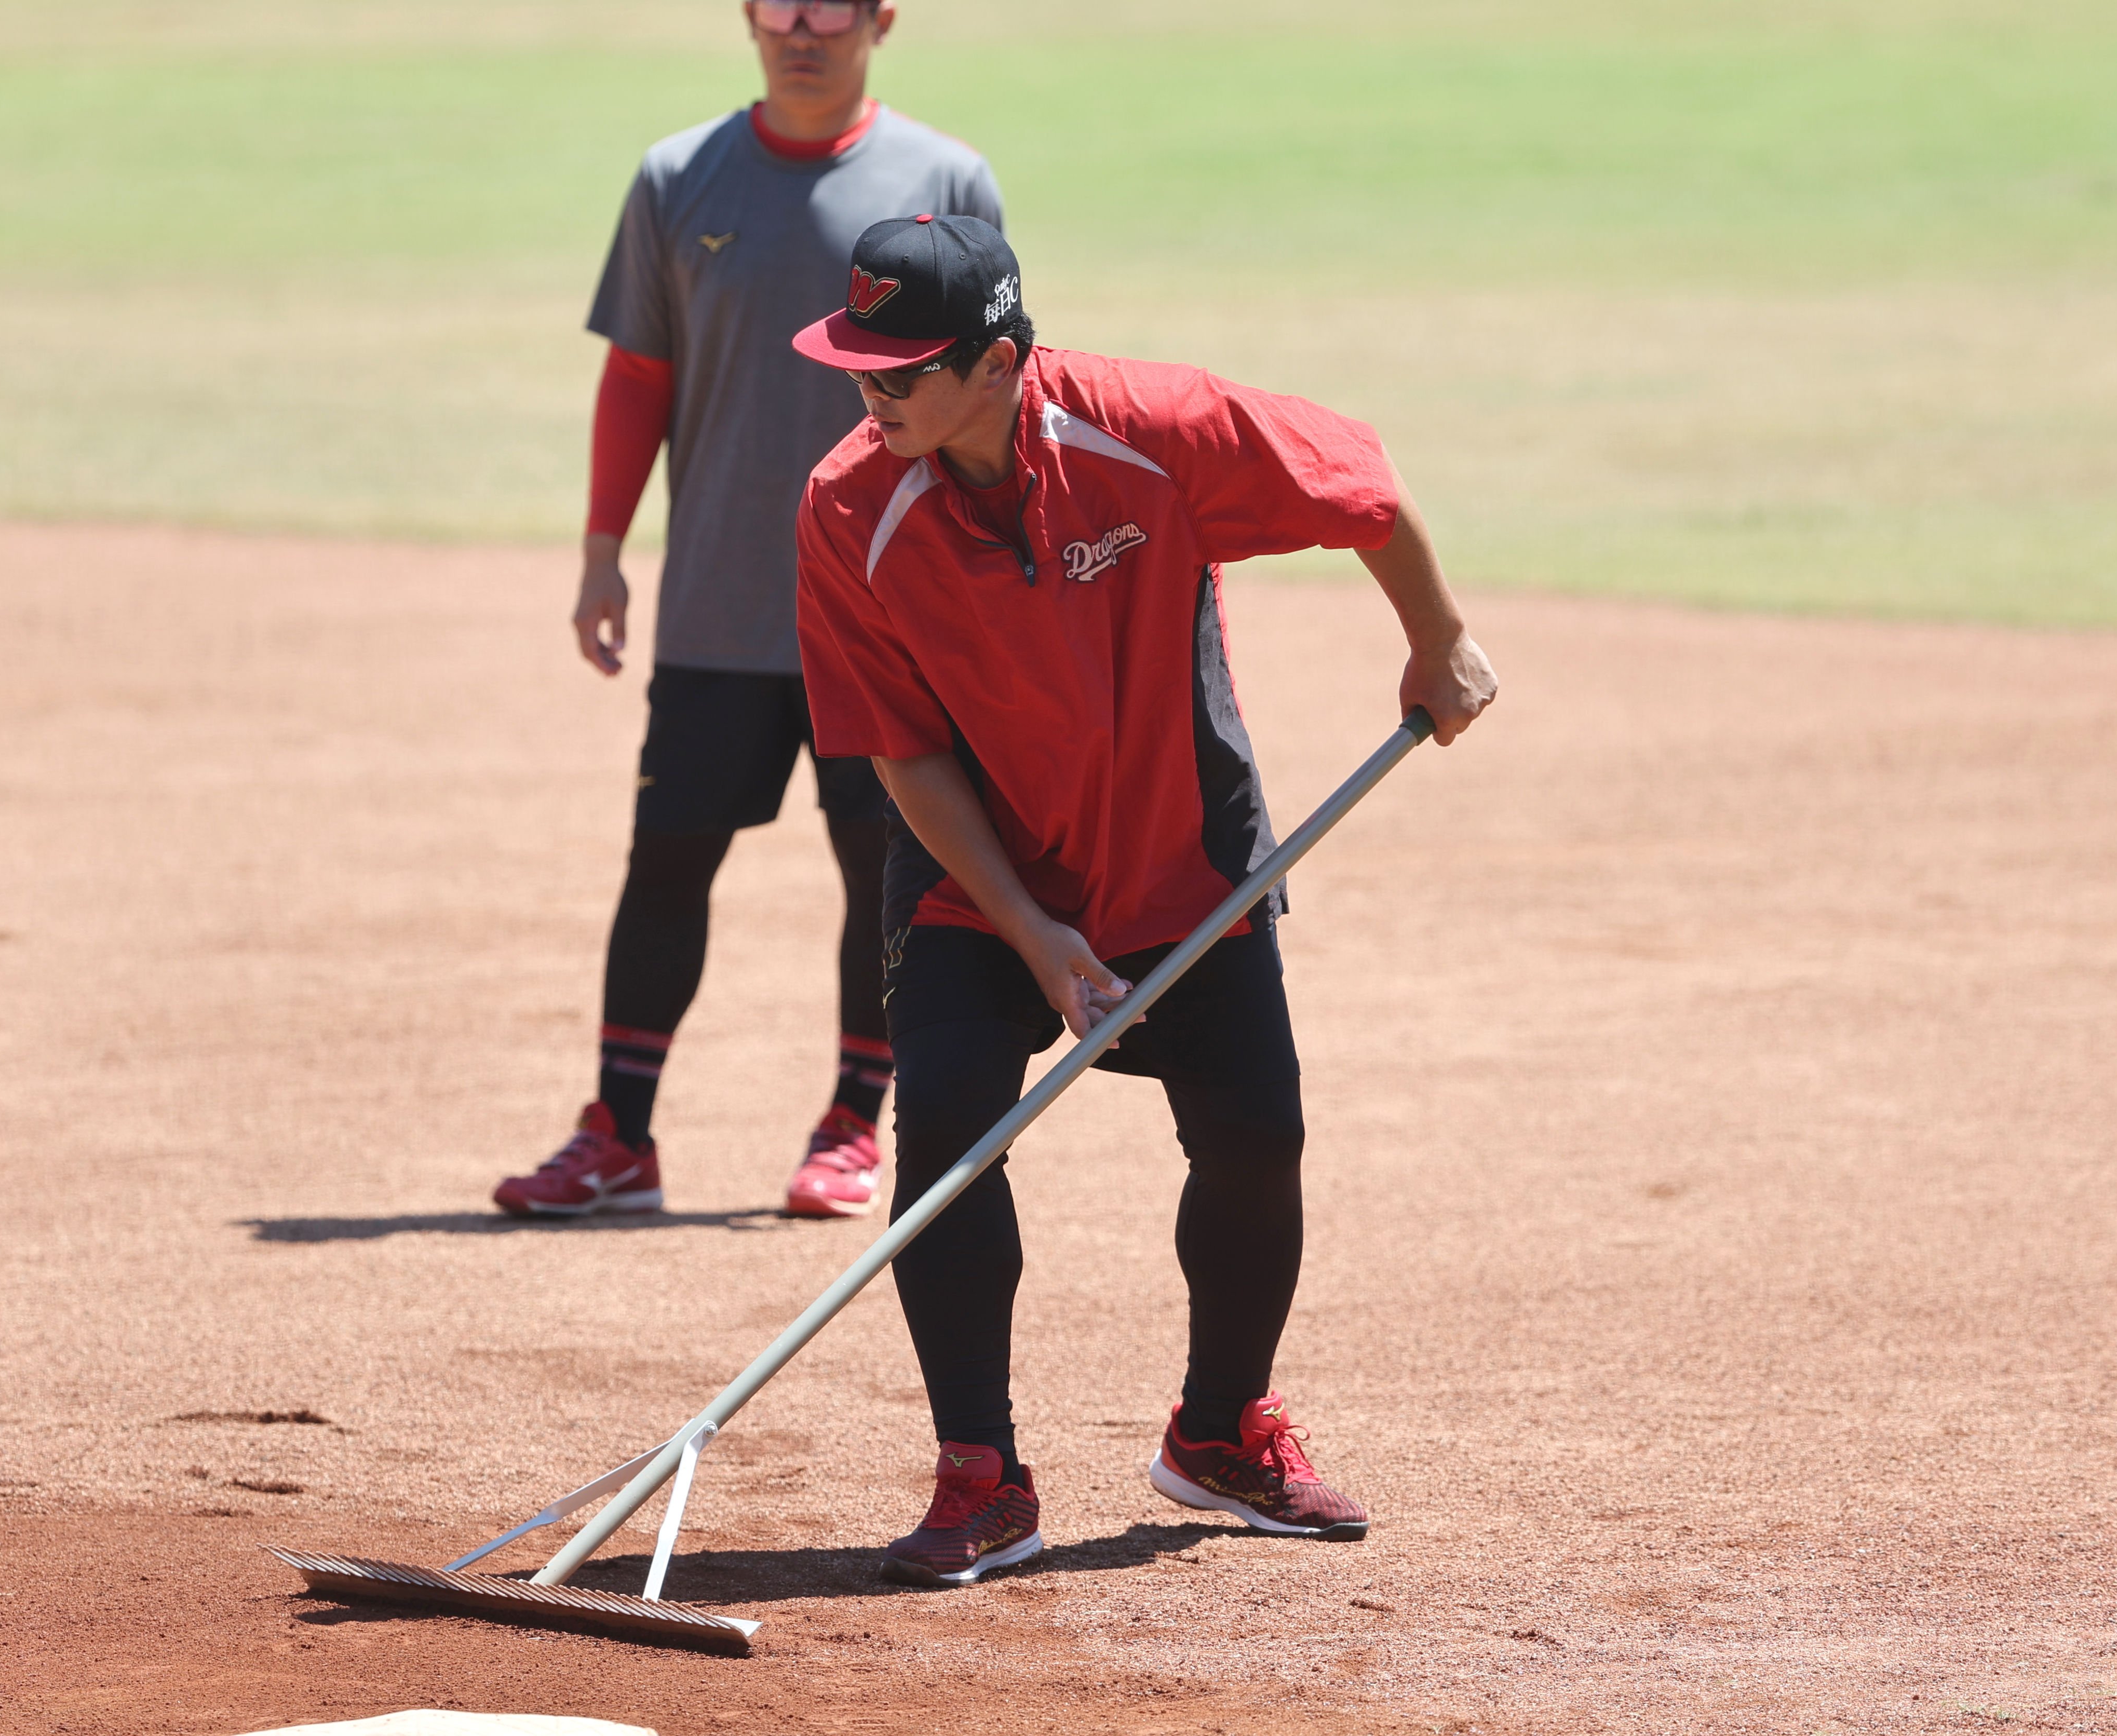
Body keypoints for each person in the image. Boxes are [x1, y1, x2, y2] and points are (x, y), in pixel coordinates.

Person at [788, 215, 1498, 1585]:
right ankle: (980, 1478)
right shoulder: (843, 506)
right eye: (854, 374)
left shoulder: (1153, 432)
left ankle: (1221, 1433)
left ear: (997, 364)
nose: (867, 403)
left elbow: (1357, 477)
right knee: (943, 1138)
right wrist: (1035, 935)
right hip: (973, 876)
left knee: (1254, 1138)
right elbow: (903, 755)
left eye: (897, 377)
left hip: (1179, 846)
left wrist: (1440, 640)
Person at [493, 0, 1007, 1224]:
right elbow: (638, 376)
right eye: (781, 1)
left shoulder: (945, 177)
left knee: (886, 867)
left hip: (889, 611)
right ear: (746, 16)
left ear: (883, 18)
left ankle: (852, 1124)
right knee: (666, 862)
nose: (804, 25)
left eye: (834, 2)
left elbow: (993, 389)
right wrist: (603, 549)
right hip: (720, 602)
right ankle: (620, 1132)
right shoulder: (680, 177)